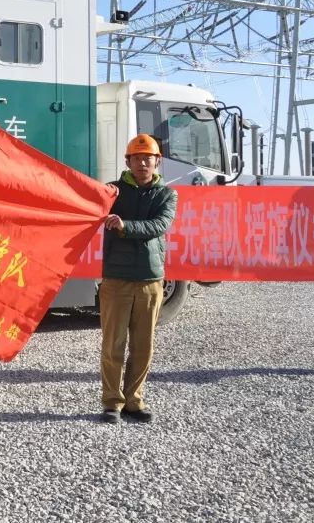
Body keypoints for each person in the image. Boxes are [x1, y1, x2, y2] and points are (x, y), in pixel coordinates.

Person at [98, 134, 176, 425]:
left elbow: (160, 224)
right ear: (127, 162)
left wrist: (124, 225)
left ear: (158, 161)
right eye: (137, 158)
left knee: (143, 346)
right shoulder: (113, 192)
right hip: (116, 279)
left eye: (148, 158)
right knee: (113, 345)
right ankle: (111, 403)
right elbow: (87, 202)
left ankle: (134, 401)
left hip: (150, 280)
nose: (143, 163)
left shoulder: (167, 195)